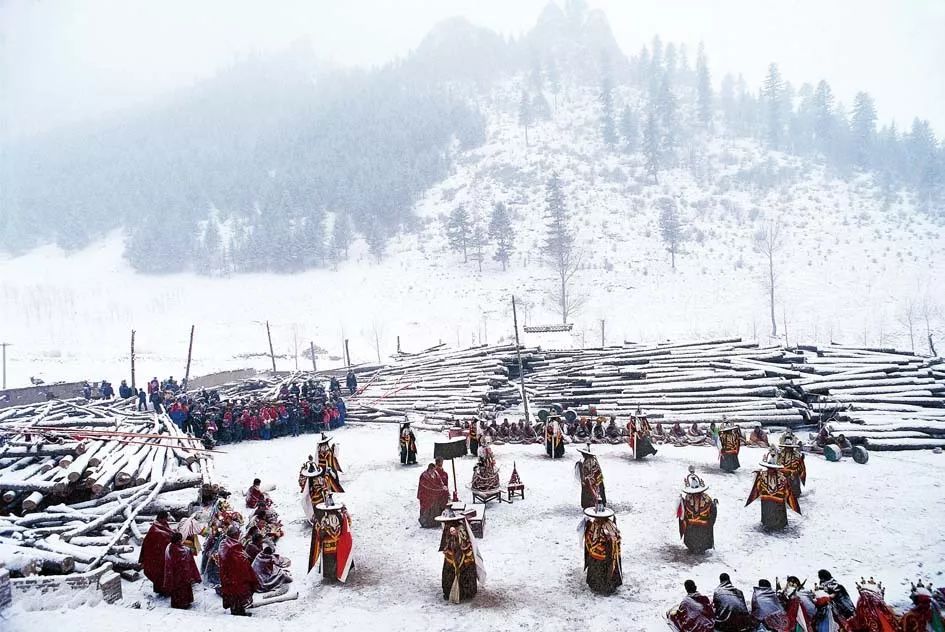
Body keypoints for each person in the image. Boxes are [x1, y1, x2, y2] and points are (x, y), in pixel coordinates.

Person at [745, 448, 801, 531]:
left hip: (775, 501)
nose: (771, 470)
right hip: (768, 500)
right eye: (769, 468)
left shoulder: (781, 478)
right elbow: (758, 487)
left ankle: (777, 524)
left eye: (772, 469)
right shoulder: (763, 476)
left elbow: (787, 490)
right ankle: (768, 523)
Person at [436, 507, 484, 603]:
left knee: (463, 572)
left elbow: (464, 541)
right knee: (450, 573)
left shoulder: (461, 528)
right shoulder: (447, 528)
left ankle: (466, 593)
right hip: (451, 556)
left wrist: (456, 537)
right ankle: (450, 591)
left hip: (463, 556)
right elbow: (446, 542)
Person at [308, 496, 354, 583]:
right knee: (338, 558)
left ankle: (331, 576)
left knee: (330, 559)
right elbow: (348, 524)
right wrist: (346, 512)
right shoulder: (339, 515)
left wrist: (317, 524)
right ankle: (340, 572)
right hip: (338, 543)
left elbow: (319, 531)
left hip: (327, 544)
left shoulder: (321, 517)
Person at [219, 524, 259, 616]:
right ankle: (238, 611)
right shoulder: (234, 546)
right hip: (236, 575)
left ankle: (236, 609)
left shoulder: (223, 543)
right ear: (234, 535)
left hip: (227, 574)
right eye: (238, 534)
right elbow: (239, 561)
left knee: (233, 593)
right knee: (239, 592)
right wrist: (246, 560)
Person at [582, 504, 622, 595]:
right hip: (607, 553)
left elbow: (611, 542)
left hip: (604, 555)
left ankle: (602, 585)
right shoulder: (601, 524)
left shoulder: (605, 527)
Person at [676, 467, 717, 554]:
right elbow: (683, 514)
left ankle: (702, 548)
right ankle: (692, 547)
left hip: (703, 526)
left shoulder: (707, 499)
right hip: (691, 525)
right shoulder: (687, 499)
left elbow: (712, 512)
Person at [139, 510, 174, 595]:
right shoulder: (154, 530)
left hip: (164, 555)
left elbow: (169, 533)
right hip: (157, 556)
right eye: (165, 519)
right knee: (159, 574)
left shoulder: (163, 525)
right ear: (160, 518)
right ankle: (162, 591)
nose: (166, 521)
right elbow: (149, 544)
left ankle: (166, 589)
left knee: (165, 573)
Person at [163, 532, 201, 609]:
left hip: (175, 574)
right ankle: (184, 603)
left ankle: (177, 603)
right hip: (182, 574)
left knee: (177, 590)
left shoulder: (169, 547)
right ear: (178, 540)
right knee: (183, 590)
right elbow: (188, 561)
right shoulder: (182, 550)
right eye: (180, 540)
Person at [418, 462, 451, 528]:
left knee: (435, 507)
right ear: (429, 469)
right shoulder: (424, 476)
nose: (433, 471)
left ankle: (435, 522)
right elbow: (427, 486)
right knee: (427, 508)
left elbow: (440, 481)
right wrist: (438, 489)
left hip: (434, 494)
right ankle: (426, 522)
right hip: (425, 495)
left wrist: (442, 486)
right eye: (432, 470)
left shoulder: (435, 473)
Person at [777, 431, 807, 499]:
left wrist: (801, 459)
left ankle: (794, 493)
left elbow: (798, 464)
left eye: (789, 447)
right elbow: (778, 463)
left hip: (792, 472)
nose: (788, 449)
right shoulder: (781, 453)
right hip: (782, 471)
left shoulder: (795, 454)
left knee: (793, 475)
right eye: (786, 447)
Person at [298, 459, 329, 524]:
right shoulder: (317, 480)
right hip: (317, 498)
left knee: (315, 509)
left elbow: (301, 483)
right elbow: (325, 486)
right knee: (318, 510)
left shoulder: (307, 481)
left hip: (314, 499)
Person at [575, 445, 606, 509]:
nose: (582, 455)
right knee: (599, 491)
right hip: (598, 480)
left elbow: (588, 474)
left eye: (583, 454)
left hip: (592, 482)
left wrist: (586, 480)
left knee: (593, 493)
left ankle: (592, 506)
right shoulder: (593, 460)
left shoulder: (588, 462)